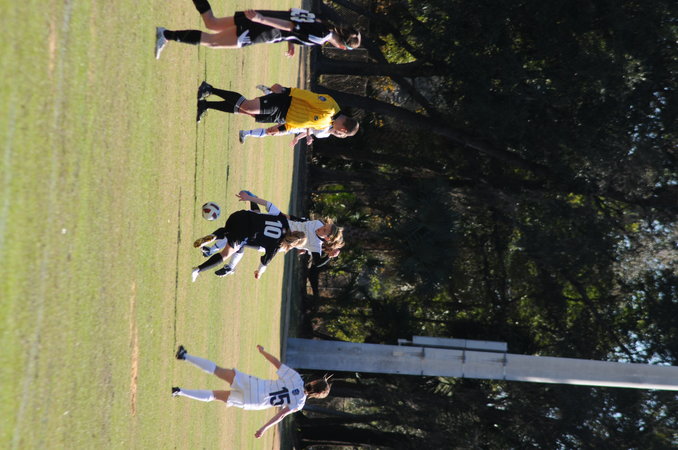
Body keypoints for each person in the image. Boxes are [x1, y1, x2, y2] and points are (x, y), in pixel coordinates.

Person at [172, 344, 332, 439]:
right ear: (316, 396)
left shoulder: (296, 378)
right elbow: (281, 415)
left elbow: (276, 363)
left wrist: (262, 351)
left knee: (218, 371)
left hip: (256, 386)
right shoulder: (300, 403)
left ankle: (184, 356)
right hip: (255, 403)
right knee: (215, 396)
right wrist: (263, 428)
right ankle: (179, 391)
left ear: (314, 381)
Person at [201, 191, 343, 276]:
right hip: (279, 223)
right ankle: (221, 258)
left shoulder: (316, 245)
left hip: (278, 241)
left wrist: (329, 257)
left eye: (324, 230)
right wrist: (283, 216)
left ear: (327, 238)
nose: (322, 227)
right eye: (325, 225)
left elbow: (317, 263)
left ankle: (222, 259)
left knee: (241, 239)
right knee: (243, 230)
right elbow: (299, 220)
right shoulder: (318, 223)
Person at [154, 1, 361, 59]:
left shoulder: (322, 22)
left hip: (265, 18)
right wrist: (261, 20)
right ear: (343, 46)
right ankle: (165, 35)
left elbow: (293, 15)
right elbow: (290, 26)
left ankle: (166, 35)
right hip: (263, 28)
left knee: (212, 23)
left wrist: (291, 42)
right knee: (213, 41)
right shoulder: (322, 36)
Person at [191, 191, 306, 282]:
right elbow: (264, 264)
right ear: (293, 245)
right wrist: (259, 273)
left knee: (229, 232)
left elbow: (268, 204)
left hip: (240, 216)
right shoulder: (276, 246)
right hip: (242, 234)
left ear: (295, 230)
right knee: (225, 254)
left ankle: (214, 236)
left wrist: (250, 198)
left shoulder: (283, 220)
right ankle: (198, 269)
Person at [194, 81, 360, 143]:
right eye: (341, 134)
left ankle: (206, 105)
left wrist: (280, 128)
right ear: (343, 129)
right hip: (283, 103)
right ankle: (209, 89)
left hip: (282, 116)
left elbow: (300, 124)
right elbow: (307, 96)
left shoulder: (327, 123)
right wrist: (284, 90)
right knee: (248, 106)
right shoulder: (330, 107)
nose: (338, 134)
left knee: (248, 111)